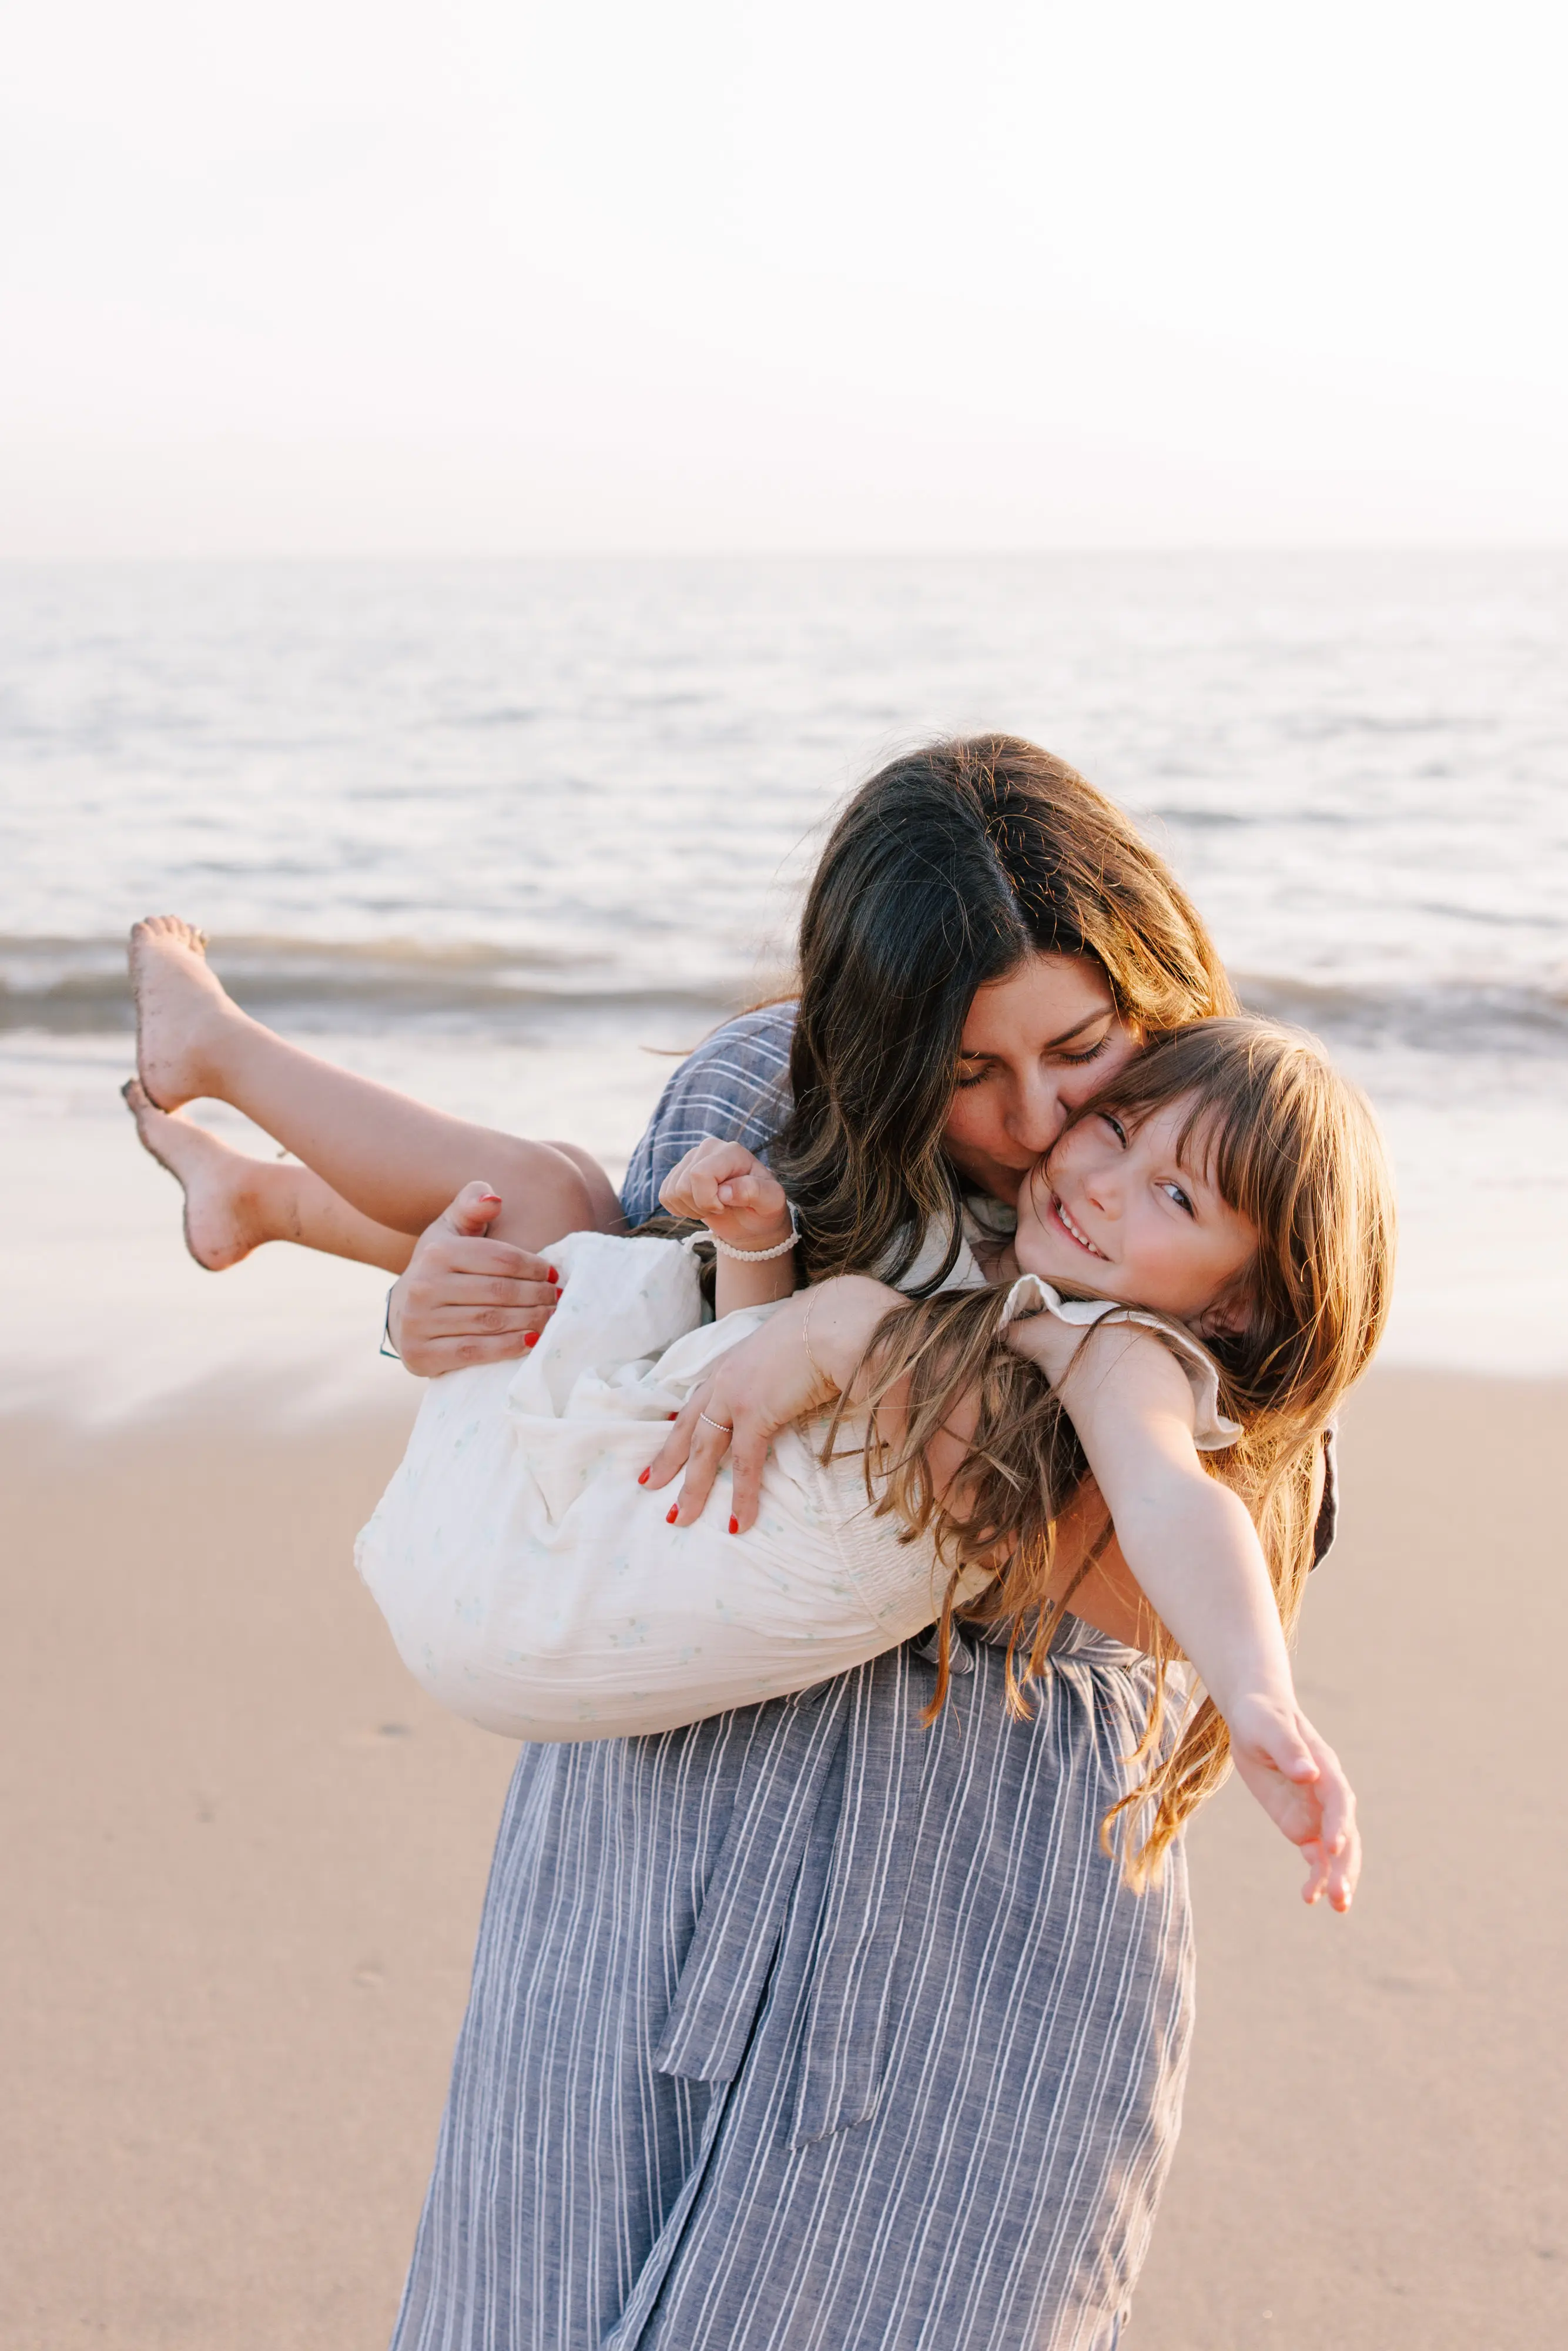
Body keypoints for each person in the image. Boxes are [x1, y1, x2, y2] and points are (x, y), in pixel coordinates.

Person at [126, 737, 1351, 2348]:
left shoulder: (1216, 1173)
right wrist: (426, 1315)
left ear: (1148, 974)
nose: (1043, 1119)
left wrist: (885, 1359)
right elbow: (622, 1352)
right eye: (968, 1070)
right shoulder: (754, 1100)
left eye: (1079, 1047)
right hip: (645, 1870)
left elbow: (1241, 1528)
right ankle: (250, 1170)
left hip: (972, 1936)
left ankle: (254, 1174)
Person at [350, 1020, 1387, 1912]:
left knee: (548, 1191)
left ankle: (234, 1103)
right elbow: (756, 1405)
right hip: (551, 1599)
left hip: (535, 1596)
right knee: (555, 1196)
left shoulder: (1121, 1348)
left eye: (1174, 1195)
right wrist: (762, 1250)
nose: (1103, 1185)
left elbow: (1171, 1493)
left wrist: (1257, 1692)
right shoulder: (995, 1261)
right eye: (1113, 1128)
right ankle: (261, 1195)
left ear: (1234, 1308)